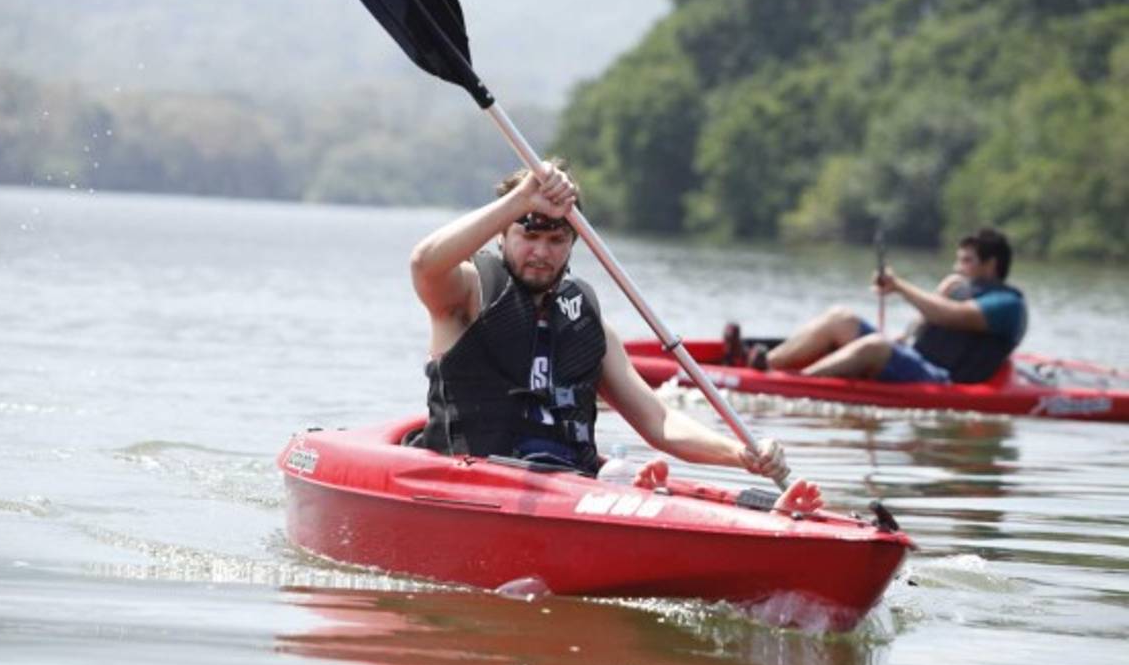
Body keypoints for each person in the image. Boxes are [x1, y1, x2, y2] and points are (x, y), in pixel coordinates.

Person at [409, 160, 821, 513]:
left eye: (556, 240)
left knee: (627, 474)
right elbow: (424, 263)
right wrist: (521, 200)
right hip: (478, 488)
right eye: (529, 236)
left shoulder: (586, 325)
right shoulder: (466, 295)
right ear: (502, 234)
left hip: (571, 487)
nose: (541, 252)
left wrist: (740, 454)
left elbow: (660, 421)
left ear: (573, 243)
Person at [760, 228, 1028, 384]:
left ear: (991, 264)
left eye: (966, 261)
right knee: (842, 317)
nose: (957, 268)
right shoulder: (962, 291)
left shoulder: (1006, 304)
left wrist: (899, 286)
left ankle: (794, 384)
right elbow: (917, 331)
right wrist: (938, 296)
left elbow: (954, 317)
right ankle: (765, 365)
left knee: (876, 345)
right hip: (916, 360)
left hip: (943, 379)